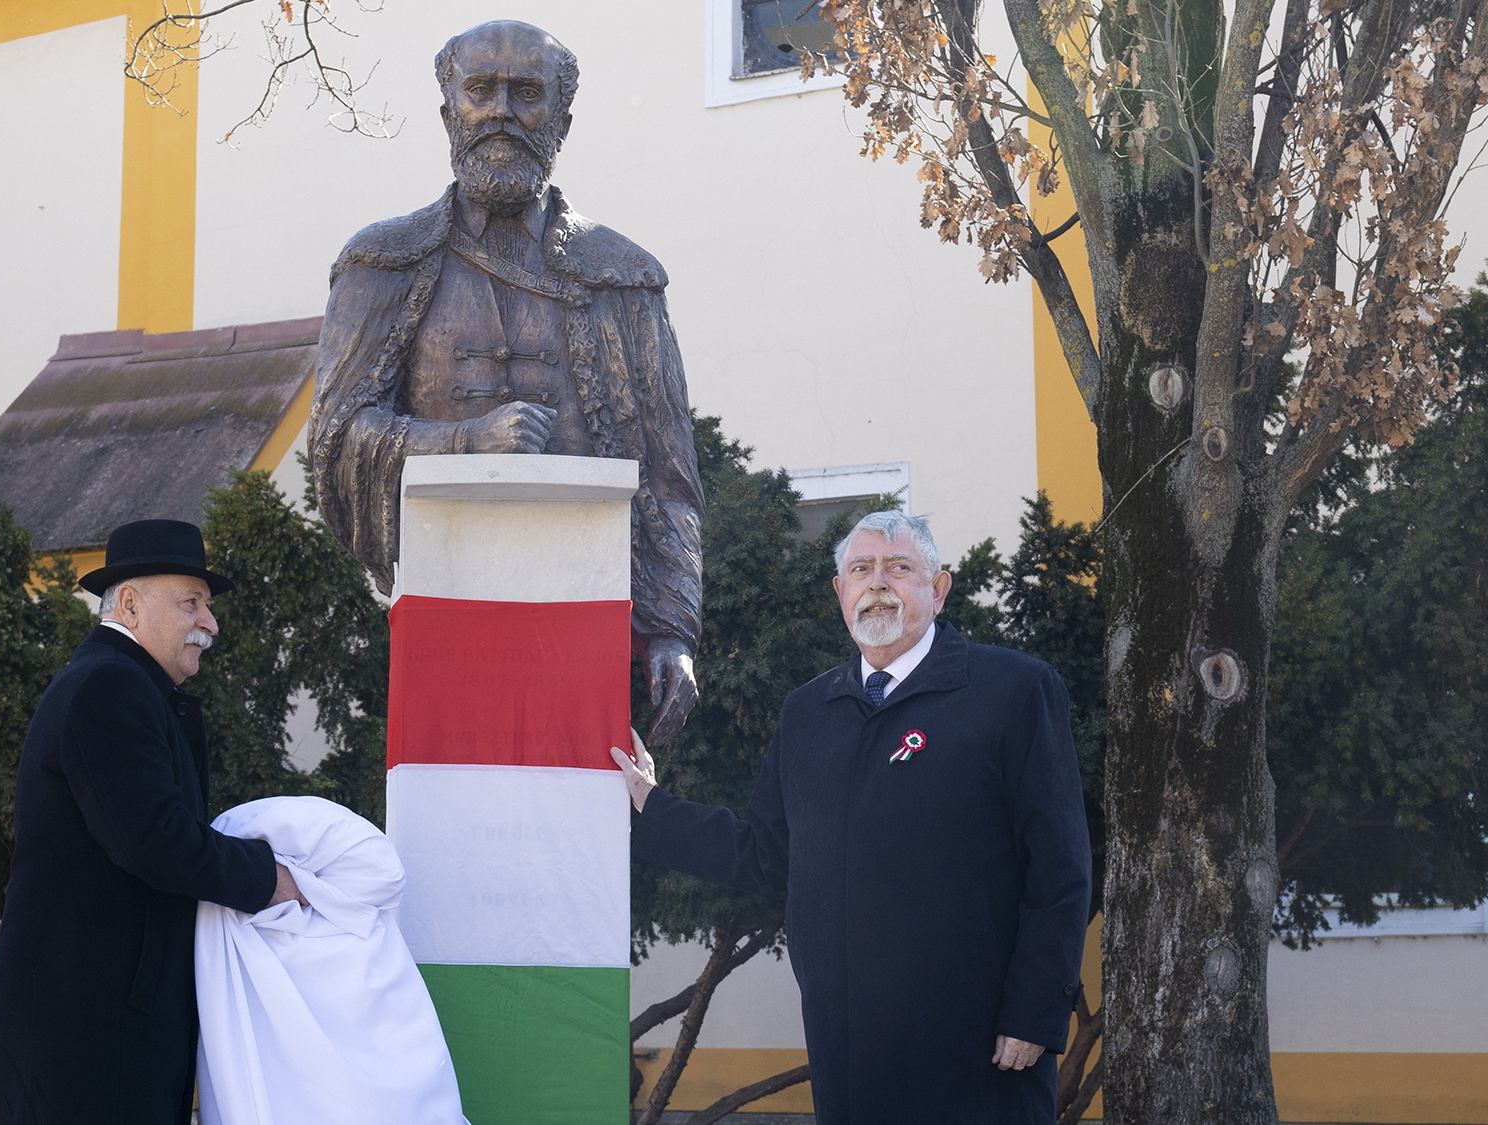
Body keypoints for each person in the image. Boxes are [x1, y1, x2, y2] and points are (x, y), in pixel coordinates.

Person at [610, 510, 1093, 1124]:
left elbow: (1060, 871)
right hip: (850, 1054)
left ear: (938, 590)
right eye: (860, 569)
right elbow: (765, 854)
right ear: (840, 592)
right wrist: (651, 809)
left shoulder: (1015, 692)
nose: (877, 583)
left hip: (979, 1054)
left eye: (899, 567)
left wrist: (1033, 1015)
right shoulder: (809, 713)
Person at [309, 19, 704, 743]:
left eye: (526, 93)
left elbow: (670, 475)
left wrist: (674, 627)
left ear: (562, 118)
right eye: (480, 90)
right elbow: (336, 443)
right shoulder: (380, 263)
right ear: (447, 112)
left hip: (581, 606)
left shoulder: (625, 279)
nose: (500, 112)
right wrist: (466, 441)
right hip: (444, 596)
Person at [0, 519, 307, 1125]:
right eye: (191, 602)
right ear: (129, 603)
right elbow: (155, 841)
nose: (210, 622)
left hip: (100, 1031)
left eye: (206, 604)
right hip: (86, 1041)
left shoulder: (123, 687)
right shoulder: (108, 688)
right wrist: (270, 879)